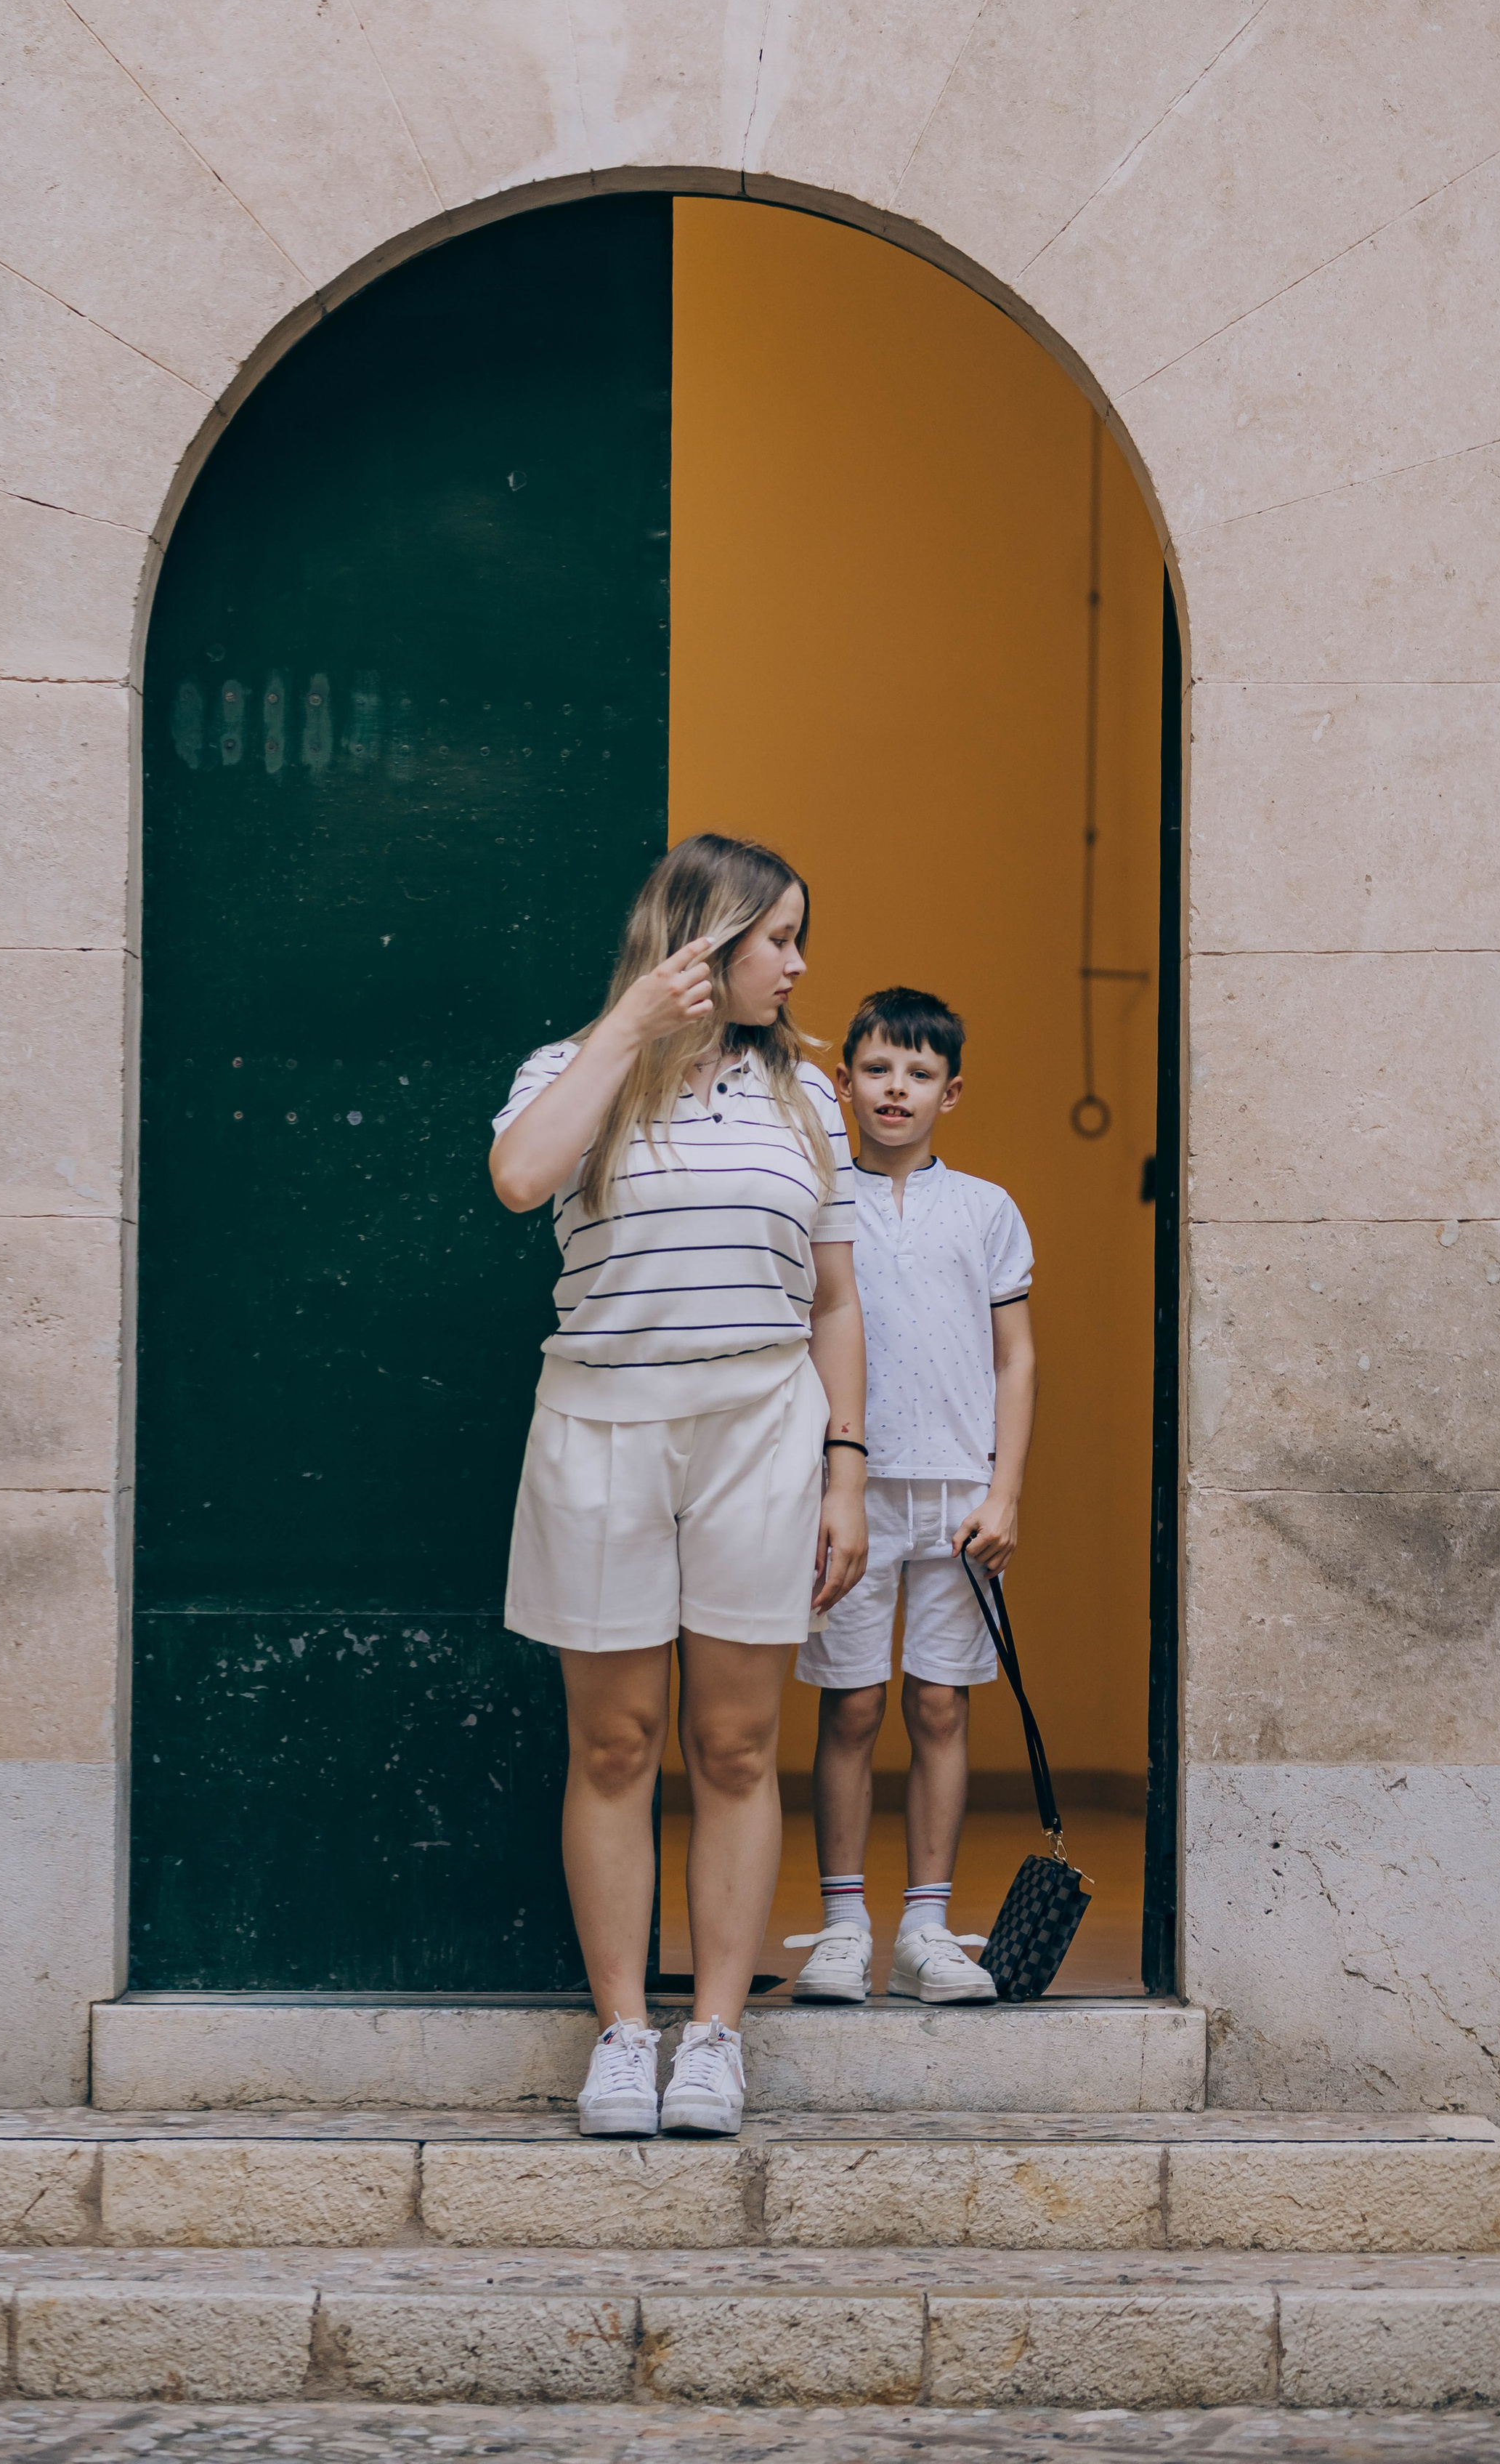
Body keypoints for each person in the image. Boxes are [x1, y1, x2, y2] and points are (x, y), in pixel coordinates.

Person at [489, 833, 869, 2138]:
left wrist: (847, 1472)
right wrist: (629, 1027)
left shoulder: (806, 1098)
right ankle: (621, 2036)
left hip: (764, 1419)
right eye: (779, 938)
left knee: (737, 1742)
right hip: (601, 1419)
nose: (801, 965)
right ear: (702, 945)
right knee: (615, 1743)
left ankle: (714, 2034)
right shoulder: (566, 1071)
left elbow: (835, 1300)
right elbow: (520, 1177)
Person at [786, 986, 1037, 2008]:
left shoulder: (986, 1209)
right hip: (845, 1495)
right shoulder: (810, 1193)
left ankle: (926, 1927)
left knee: (941, 1702)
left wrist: (1005, 1491)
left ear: (952, 1091)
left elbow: (1015, 1361)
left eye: (920, 1073)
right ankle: (843, 1925)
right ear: (843, 1080)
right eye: (879, 1069)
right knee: (852, 1706)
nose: (897, 1089)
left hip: (960, 1501)